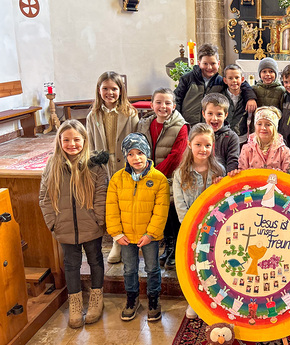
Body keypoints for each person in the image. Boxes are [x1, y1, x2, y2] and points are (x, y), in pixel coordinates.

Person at [39, 120, 108, 328]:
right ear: (59, 141)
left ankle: (97, 298)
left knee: (95, 260)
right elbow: (44, 197)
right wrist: (53, 223)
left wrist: (99, 219)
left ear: (84, 140)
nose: (72, 144)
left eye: (76, 139)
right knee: (71, 264)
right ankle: (75, 302)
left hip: (91, 226)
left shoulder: (95, 164)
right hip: (64, 226)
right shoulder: (52, 165)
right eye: (66, 140)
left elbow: (101, 195)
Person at [106, 133, 170, 322]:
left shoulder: (158, 179)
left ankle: (153, 300)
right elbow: (111, 208)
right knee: (129, 269)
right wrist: (116, 233)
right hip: (125, 235)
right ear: (125, 156)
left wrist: (151, 234)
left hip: (149, 235)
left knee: (152, 268)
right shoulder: (117, 179)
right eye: (131, 154)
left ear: (147, 154)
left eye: (140, 153)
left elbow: (161, 210)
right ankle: (132, 299)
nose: (136, 158)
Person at [173, 123, 225, 319]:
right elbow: (180, 206)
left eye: (208, 145)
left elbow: (223, 199)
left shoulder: (218, 170)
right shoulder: (181, 173)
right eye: (198, 144)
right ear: (189, 145)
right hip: (192, 230)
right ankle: (194, 301)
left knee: (213, 266)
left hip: (215, 230)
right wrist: (192, 227)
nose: (203, 149)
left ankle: (214, 300)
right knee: (194, 267)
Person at [86, 71, 139, 264]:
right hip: (103, 167)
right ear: (99, 90)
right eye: (105, 88)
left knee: (125, 204)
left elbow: (136, 140)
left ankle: (129, 241)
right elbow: (90, 144)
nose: (110, 93)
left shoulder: (130, 113)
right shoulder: (93, 115)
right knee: (110, 206)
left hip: (124, 166)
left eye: (114, 89)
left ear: (121, 90)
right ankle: (116, 241)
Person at [137, 88, 188, 270]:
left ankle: (176, 249)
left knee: (173, 213)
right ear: (151, 105)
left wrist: (153, 174)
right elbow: (140, 148)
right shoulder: (144, 124)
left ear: (174, 106)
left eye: (167, 103)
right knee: (161, 214)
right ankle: (167, 246)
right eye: (158, 102)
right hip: (151, 176)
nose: (163, 106)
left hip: (170, 177)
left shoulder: (181, 126)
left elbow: (176, 156)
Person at [174, 43, 257, 125]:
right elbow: (176, 99)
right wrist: (179, 121)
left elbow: (240, 84)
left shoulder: (221, 81)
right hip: (188, 125)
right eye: (205, 63)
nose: (209, 67)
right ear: (199, 63)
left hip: (210, 126)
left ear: (218, 63)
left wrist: (251, 98)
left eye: (213, 63)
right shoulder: (187, 79)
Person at [238, 106, 290, 172]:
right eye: (259, 124)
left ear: (275, 128)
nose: (263, 128)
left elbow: (288, 176)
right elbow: (241, 173)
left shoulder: (284, 151)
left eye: (268, 124)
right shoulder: (246, 149)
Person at [202, 93, 240, 173]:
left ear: (225, 115)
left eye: (219, 114)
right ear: (203, 114)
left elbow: (233, 161)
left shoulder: (232, 137)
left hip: (222, 179)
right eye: (210, 113)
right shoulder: (198, 134)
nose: (214, 118)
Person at [222, 64, 251, 143]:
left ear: (242, 79)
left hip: (241, 137)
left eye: (237, 77)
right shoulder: (221, 96)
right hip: (224, 136)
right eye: (230, 78)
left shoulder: (247, 97)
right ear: (225, 80)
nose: (234, 80)